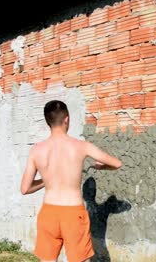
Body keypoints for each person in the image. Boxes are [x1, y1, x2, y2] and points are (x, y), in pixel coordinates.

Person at [20, 100, 122, 262]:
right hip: (73, 214)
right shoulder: (81, 146)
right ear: (66, 119)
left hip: (48, 214)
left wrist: (46, 181)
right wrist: (101, 168)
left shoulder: (36, 150)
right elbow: (116, 163)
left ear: (48, 122)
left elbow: (25, 189)